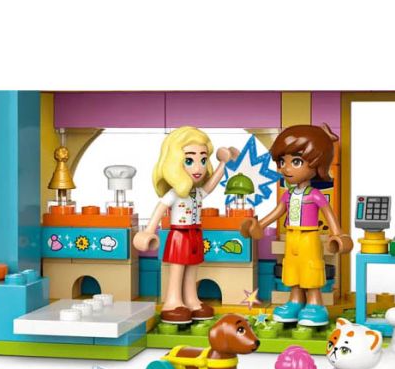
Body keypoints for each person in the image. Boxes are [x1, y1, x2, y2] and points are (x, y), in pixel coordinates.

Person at [241, 124, 353, 326]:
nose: (286, 168)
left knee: (310, 269)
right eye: (282, 162)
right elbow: (276, 212)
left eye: (296, 162)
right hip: (292, 237)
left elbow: (329, 214)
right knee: (292, 269)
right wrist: (259, 225)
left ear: (318, 165)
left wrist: (338, 233)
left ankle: (315, 304)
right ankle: (295, 301)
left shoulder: (315, 195)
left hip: (309, 238)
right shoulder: (288, 195)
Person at [134, 126, 238, 324]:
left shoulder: (196, 192)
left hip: (195, 234)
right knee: (177, 269)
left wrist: (223, 164)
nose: (198, 168)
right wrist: (149, 230)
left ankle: (191, 300)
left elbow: (210, 185)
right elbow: (159, 209)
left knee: (192, 268)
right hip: (179, 235)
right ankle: (172, 302)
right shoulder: (174, 193)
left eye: (203, 160)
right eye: (189, 161)